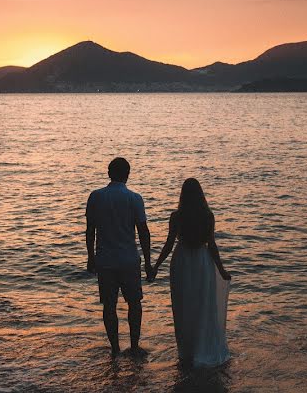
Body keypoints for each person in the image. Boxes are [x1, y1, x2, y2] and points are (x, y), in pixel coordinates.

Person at [150, 178, 231, 367]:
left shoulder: (177, 216)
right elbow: (211, 245)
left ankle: (187, 351)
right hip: (203, 262)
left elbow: (169, 244)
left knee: (184, 306)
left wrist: (156, 266)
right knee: (203, 305)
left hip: (182, 261)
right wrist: (221, 270)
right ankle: (202, 347)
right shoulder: (207, 215)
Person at [86, 157, 152, 356]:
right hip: (129, 259)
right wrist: (148, 262)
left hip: (105, 260)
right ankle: (134, 345)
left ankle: (115, 348)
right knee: (134, 303)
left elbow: (90, 230)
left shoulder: (96, 197)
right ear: (128, 175)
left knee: (109, 305)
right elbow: (143, 232)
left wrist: (90, 257)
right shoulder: (134, 198)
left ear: (109, 173)